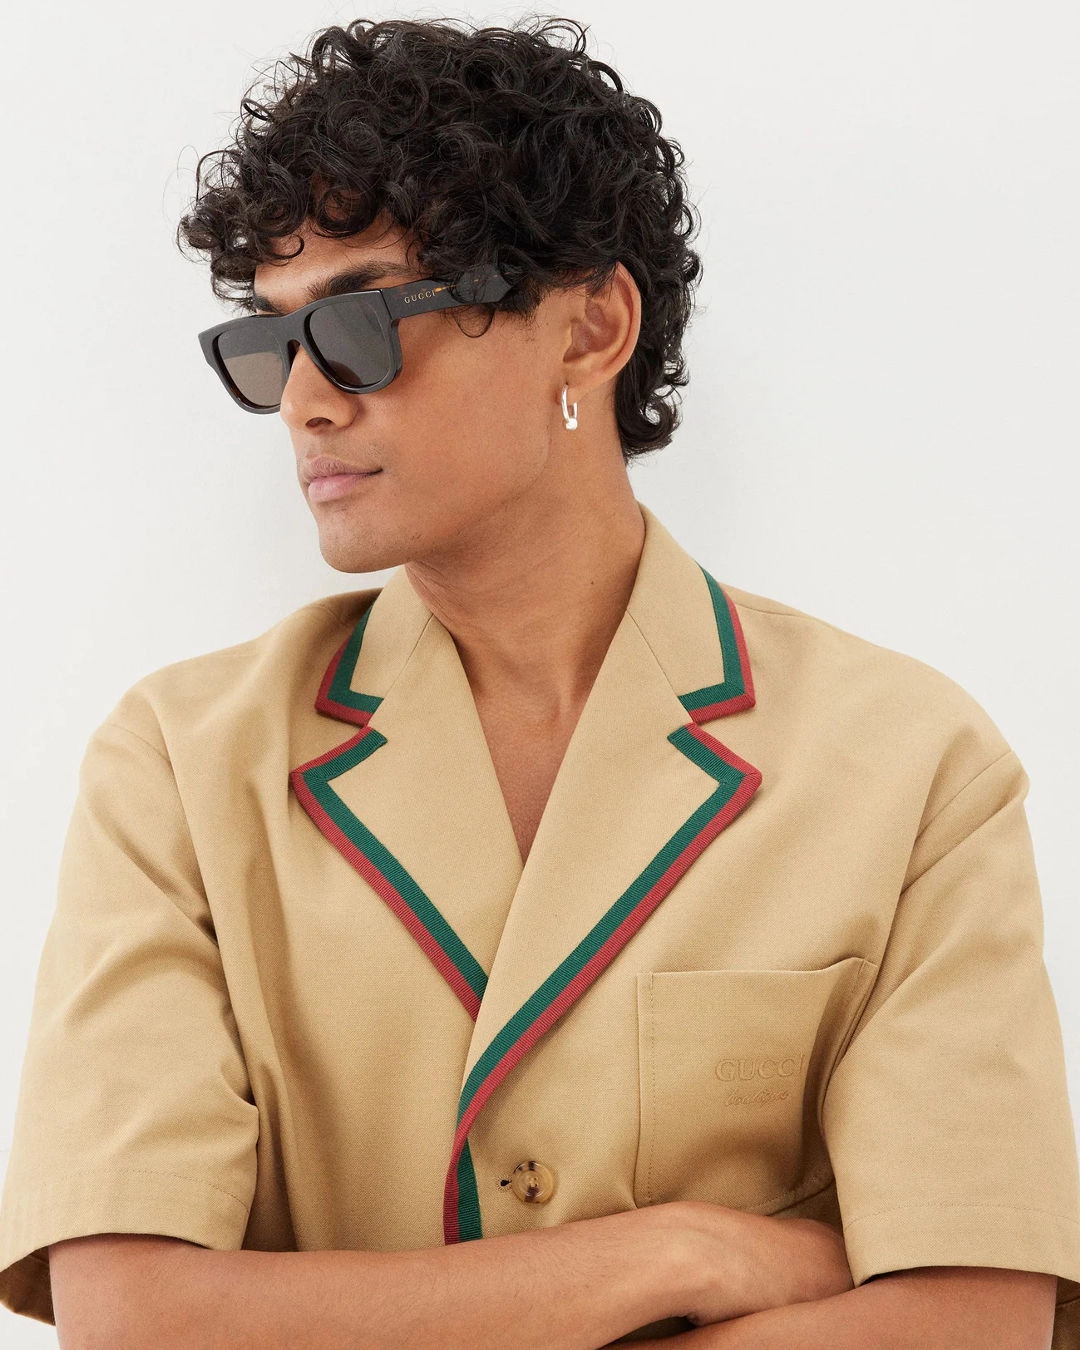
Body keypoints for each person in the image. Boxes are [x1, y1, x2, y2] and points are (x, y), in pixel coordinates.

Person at [1, 14, 1077, 1348]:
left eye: (361, 323)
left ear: (590, 325)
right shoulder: (181, 764)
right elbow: (134, 1316)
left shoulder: (911, 767)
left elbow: (975, 1317)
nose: (306, 402)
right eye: (272, 344)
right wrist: (675, 1251)